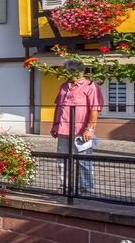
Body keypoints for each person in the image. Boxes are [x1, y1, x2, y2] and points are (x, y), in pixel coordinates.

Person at [51, 60, 102, 194]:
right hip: (63, 129)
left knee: (84, 161)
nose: (67, 74)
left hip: (81, 131)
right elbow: (59, 107)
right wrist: (55, 125)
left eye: (69, 71)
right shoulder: (64, 86)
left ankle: (86, 189)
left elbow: (94, 109)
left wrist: (89, 129)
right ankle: (65, 187)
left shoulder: (90, 86)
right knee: (62, 161)